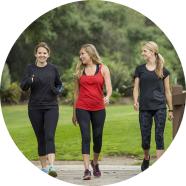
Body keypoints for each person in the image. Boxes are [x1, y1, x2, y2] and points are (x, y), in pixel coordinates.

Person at [20, 42, 63, 177]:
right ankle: (44, 168)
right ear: (35, 54)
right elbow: (23, 86)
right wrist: (30, 80)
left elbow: (59, 85)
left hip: (51, 107)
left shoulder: (53, 69)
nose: (42, 55)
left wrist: (57, 90)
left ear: (48, 55)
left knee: (49, 136)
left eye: (44, 53)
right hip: (35, 108)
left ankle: (51, 167)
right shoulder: (30, 68)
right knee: (41, 138)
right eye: (40, 53)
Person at [72, 44, 112, 180]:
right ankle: (86, 170)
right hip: (82, 107)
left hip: (99, 108)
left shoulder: (103, 69)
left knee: (98, 137)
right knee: (86, 137)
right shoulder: (79, 71)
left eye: (83, 53)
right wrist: (74, 112)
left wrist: (108, 96)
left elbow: (109, 87)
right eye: (80, 54)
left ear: (90, 54)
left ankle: (95, 163)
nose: (81, 56)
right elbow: (76, 93)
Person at [133, 41, 174, 172]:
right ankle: (146, 157)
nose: (142, 53)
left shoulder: (163, 71)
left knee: (159, 135)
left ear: (152, 52)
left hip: (160, 107)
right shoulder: (139, 69)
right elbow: (136, 88)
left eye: (144, 51)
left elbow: (167, 91)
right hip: (144, 108)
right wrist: (135, 100)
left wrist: (171, 109)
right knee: (145, 139)